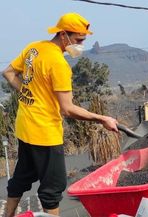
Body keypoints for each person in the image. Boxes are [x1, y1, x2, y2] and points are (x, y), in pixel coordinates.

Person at [2, 12, 119, 217]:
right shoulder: (58, 63)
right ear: (63, 35)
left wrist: (28, 93)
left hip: (25, 128)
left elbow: (8, 73)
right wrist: (103, 119)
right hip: (45, 134)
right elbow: (68, 109)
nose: (81, 45)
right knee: (52, 190)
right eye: (79, 40)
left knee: (20, 178)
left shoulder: (34, 48)